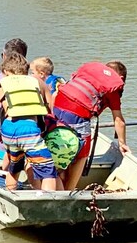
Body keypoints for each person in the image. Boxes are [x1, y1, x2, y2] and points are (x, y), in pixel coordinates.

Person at [0, 50, 57, 191]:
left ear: (6, 71)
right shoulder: (38, 83)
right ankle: (49, 204)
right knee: (48, 172)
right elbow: (51, 112)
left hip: (8, 130)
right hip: (29, 129)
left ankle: (10, 196)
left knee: (14, 168)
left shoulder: (3, 86)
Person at [52, 60, 129, 190]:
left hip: (58, 106)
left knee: (59, 145)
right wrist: (122, 143)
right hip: (77, 113)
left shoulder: (88, 75)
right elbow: (118, 120)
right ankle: (68, 191)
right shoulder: (112, 88)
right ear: (120, 78)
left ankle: (58, 178)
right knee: (82, 153)